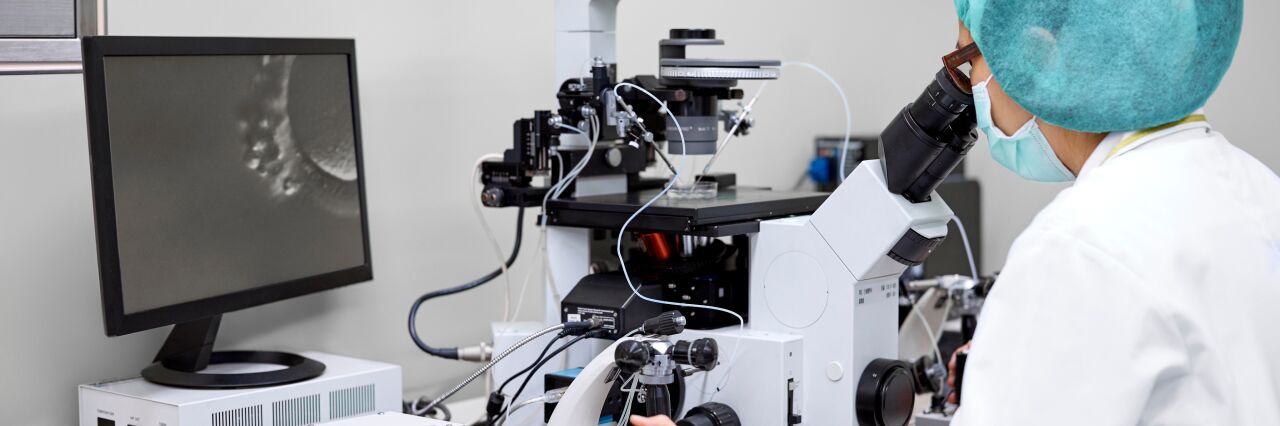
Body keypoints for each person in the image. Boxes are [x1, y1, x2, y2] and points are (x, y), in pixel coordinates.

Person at [634, 0, 1280, 424]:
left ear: (1035, 57)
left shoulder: (1082, 244)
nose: (965, 93)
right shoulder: (1252, 186)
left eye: (966, 62)